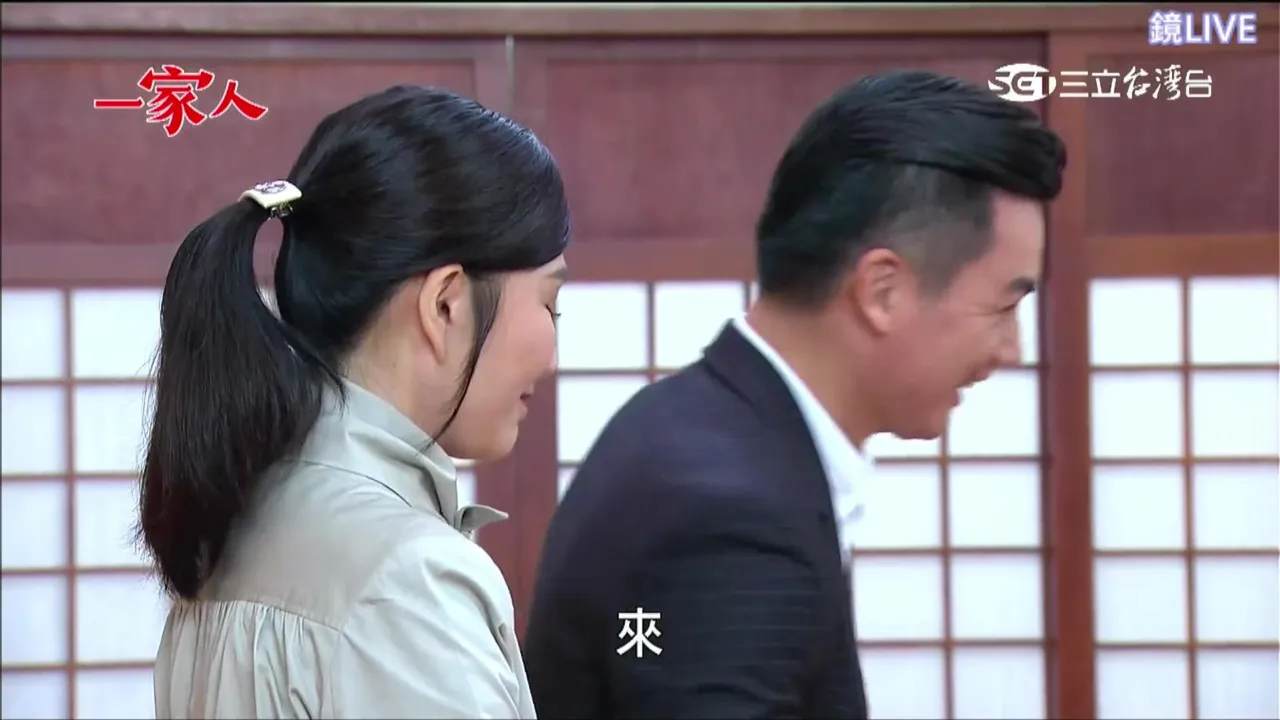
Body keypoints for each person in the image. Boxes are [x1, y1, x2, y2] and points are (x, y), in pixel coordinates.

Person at [523, 69, 1067, 719]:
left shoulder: (694, 429)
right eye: (1004, 306)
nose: (1012, 349)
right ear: (882, 291)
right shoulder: (727, 519)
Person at [137, 85, 570, 719]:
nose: (552, 355)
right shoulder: (408, 580)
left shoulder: (229, 529)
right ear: (445, 305)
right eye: (549, 304)